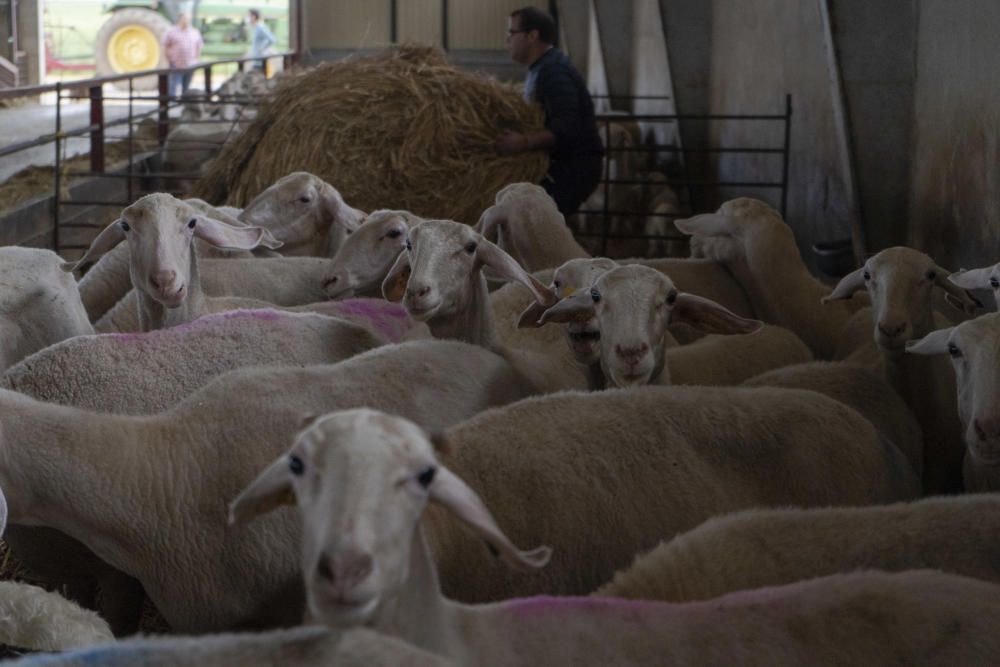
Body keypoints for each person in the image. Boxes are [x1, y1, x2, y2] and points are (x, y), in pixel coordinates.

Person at [496, 7, 604, 217]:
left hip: (573, 167)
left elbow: (567, 125)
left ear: (532, 36)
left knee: (540, 225)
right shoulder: (541, 69)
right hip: (562, 165)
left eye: (511, 33)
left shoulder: (554, 72)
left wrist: (524, 142)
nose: (507, 41)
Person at [162, 12, 203, 99]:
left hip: (190, 64)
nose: (187, 21)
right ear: (180, 20)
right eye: (185, 19)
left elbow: (198, 46)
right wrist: (168, 60)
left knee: (186, 84)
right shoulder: (171, 32)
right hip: (176, 63)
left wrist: (196, 59)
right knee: (174, 83)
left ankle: (184, 100)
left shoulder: (194, 32)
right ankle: (171, 101)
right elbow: (165, 46)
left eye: (189, 19)